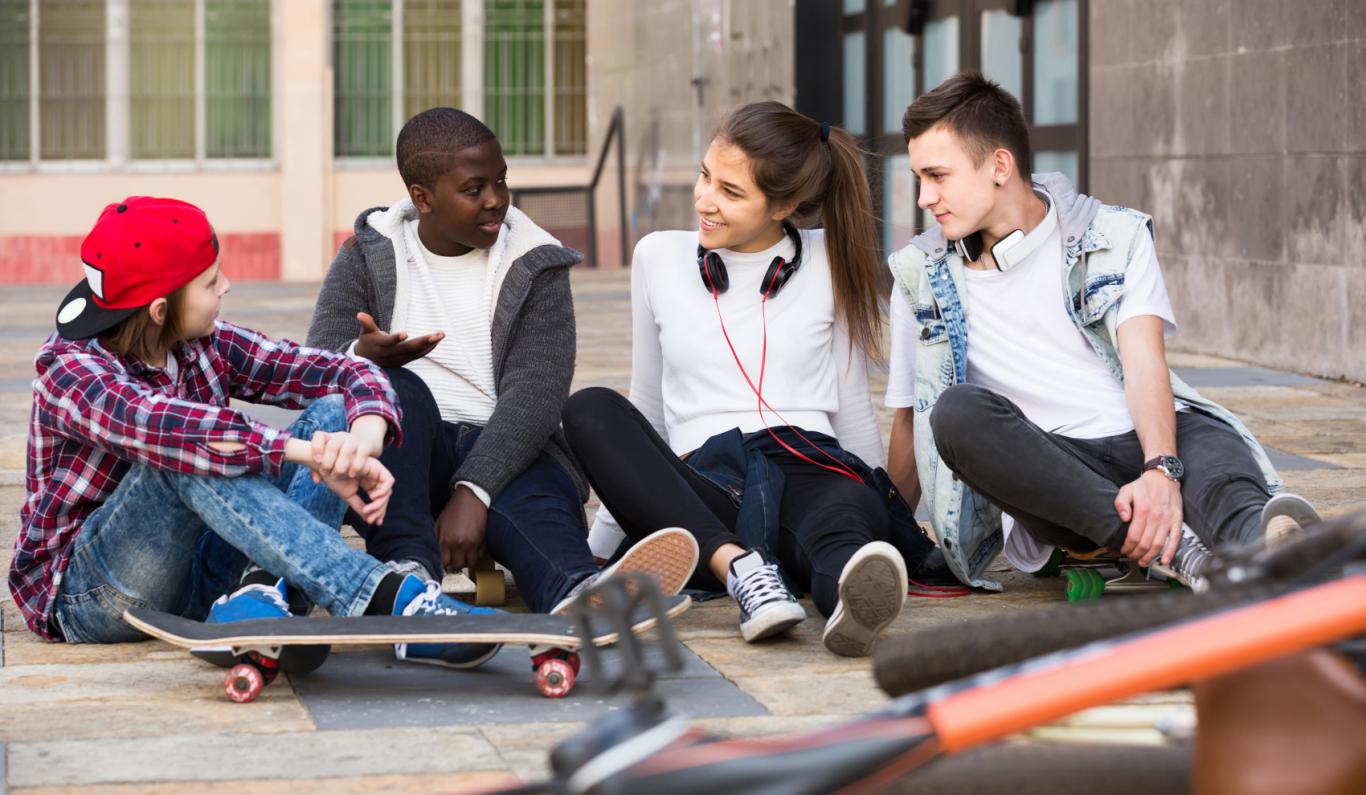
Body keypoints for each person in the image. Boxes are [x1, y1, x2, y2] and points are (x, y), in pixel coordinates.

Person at [13, 196, 508, 668]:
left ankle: (259, 595)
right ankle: (385, 599)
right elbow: (176, 432)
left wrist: (362, 441)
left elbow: (343, 371)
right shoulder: (69, 371)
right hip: (91, 593)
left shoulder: (200, 342)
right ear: (161, 310)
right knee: (188, 451)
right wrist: (307, 455)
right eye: (210, 283)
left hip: (200, 569)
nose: (225, 286)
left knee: (334, 411)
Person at [884, 72, 1318, 594]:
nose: (924, 198)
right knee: (956, 414)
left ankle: (1279, 562)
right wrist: (887, 537)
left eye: (938, 176)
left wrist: (1161, 469)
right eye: (919, 180)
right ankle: (1177, 550)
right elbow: (911, 419)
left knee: (1228, 487)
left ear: (999, 165)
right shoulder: (919, 275)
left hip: (1156, 435)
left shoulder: (1114, 236)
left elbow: (1144, 363)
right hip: (1058, 472)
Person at [562, 101, 946, 658]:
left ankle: (849, 597)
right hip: (705, 484)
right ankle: (744, 571)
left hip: (812, 461)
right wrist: (604, 541)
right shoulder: (659, 257)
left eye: (731, 192)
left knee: (841, 521)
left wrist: (887, 508)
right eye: (704, 176)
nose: (705, 200)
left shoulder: (830, 258)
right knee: (590, 409)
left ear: (785, 205)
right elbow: (645, 404)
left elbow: (851, 407)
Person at [306, 107, 698, 637]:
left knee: (536, 498)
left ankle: (578, 593)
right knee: (397, 392)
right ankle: (408, 584)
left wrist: (474, 491)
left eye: (501, 180)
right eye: (474, 189)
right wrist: (363, 357)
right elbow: (315, 367)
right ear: (423, 198)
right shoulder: (366, 253)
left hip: (507, 449)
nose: (495, 199)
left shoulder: (537, 260)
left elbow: (536, 392)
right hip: (406, 454)